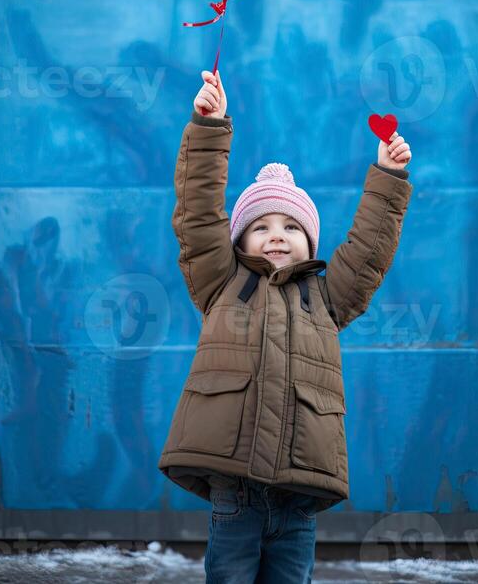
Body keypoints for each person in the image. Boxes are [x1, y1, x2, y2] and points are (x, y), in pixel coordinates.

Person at [158, 69, 413, 583]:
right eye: (262, 227)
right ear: (239, 242)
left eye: (292, 227)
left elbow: (367, 253)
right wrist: (209, 129)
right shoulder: (220, 282)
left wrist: (387, 177)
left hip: (300, 494)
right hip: (236, 490)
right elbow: (198, 215)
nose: (278, 237)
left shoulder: (326, 297)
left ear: (311, 244)